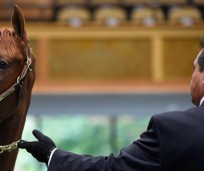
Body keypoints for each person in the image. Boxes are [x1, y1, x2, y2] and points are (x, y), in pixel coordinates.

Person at [18, 38, 204, 171]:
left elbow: (115, 168)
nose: (191, 76)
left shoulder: (173, 129)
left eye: (194, 69)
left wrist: (52, 154)